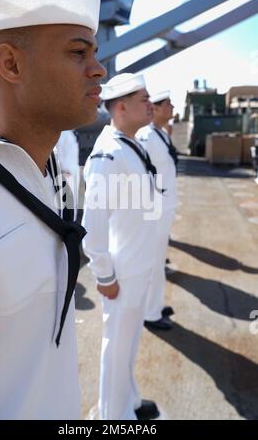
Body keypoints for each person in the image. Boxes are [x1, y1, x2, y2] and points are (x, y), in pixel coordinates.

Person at [0, 0, 106, 420]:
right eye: (78, 52)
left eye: (94, 53)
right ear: (11, 65)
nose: (99, 69)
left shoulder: (50, 167)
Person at [82, 73, 162, 420]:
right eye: (142, 98)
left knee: (128, 346)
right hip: (123, 272)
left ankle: (127, 402)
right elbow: (93, 228)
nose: (149, 104)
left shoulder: (133, 144)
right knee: (116, 349)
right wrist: (105, 276)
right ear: (121, 106)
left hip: (140, 265)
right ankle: (112, 418)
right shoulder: (108, 157)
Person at [137, 91, 178, 330]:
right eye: (168, 104)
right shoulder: (146, 137)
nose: (172, 108)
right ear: (157, 108)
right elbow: (143, 176)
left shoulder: (160, 133)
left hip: (166, 205)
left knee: (158, 260)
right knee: (153, 262)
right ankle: (150, 314)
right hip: (156, 209)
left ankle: (156, 305)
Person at [56, 130, 80, 219]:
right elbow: (58, 154)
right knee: (66, 208)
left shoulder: (70, 133)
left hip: (73, 174)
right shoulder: (62, 134)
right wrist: (63, 171)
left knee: (74, 205)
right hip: (66, 175)